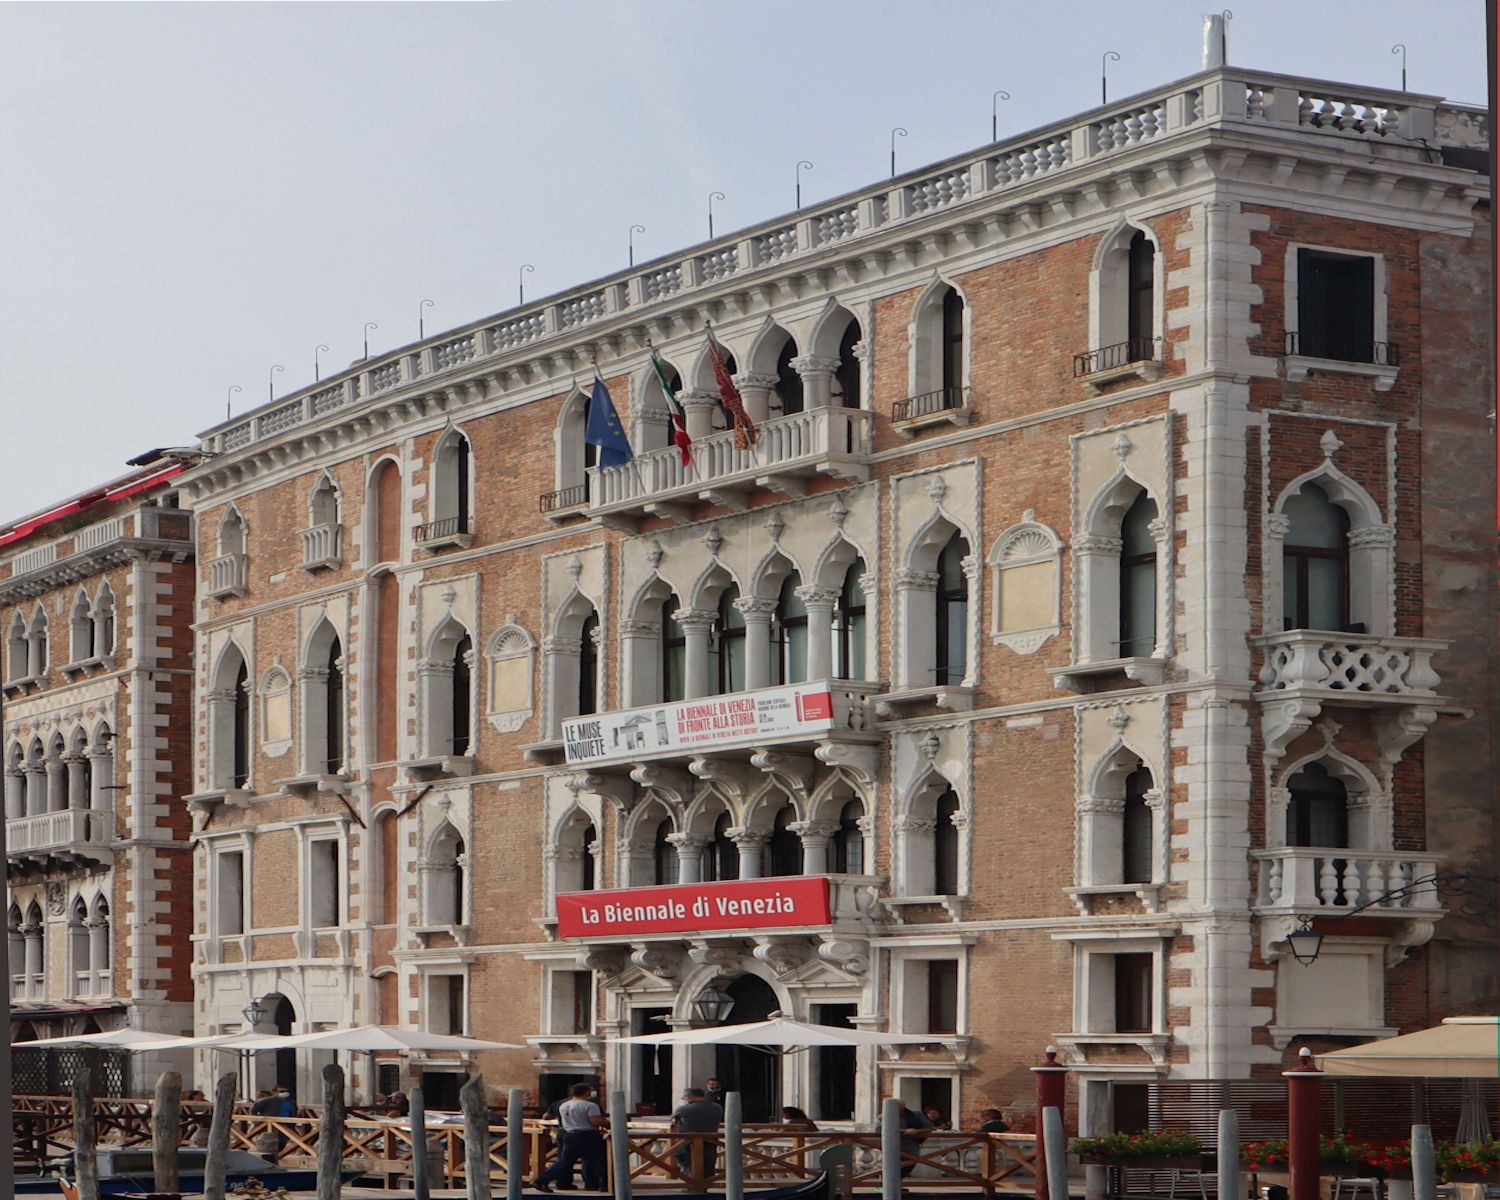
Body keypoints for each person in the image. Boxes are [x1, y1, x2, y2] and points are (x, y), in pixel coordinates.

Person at [530, 1082, 607, 1193]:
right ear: (586, 1092)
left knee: (566, 1161)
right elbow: (596, 1121)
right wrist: (607, 1123)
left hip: (568, 1134)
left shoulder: (563, 1105)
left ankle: (543, 1180)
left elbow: (549, 1117)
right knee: (597, 1161)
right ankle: (601, 1184)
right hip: (587, 1136)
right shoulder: (590, 1105)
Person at [672, 1088, 722, 1180]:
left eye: (684, 1098)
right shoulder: (717, 1107)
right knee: (708, 1163)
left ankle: (692, 1184)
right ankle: (705, 1184)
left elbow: (673, 1120)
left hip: (687, 1141)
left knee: (687, 1162)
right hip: (711, 1139)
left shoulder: (684, 1109)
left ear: (689, 1097)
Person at [893, 1099, 932, 1177]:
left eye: (900, 1108)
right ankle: (886, 1186)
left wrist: (916, 1131)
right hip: (892, 1145)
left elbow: (929, 1127)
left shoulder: (916, 1115)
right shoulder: (883, 1117)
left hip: (911, 1146)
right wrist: (903, 1130)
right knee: (891, 1165)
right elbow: (880, 1129)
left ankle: (896, 1185)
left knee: (910, 1164)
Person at [250, 1089, 281, 1161]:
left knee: (273, 1139)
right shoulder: (264, 1101)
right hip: (264, 1122)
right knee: (256, 1136)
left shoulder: (278, 1101)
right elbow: (253, 1110)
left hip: (275, 1123)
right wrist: (255, 1120)